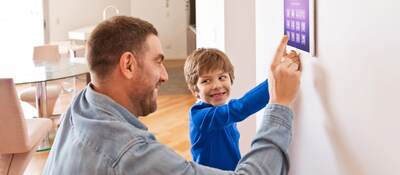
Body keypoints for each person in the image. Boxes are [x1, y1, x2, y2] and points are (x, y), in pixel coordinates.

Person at [43, 15, 301, 175]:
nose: (166, 76)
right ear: (128, 65)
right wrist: (279, 102)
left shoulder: (81, 106)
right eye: (158, 61)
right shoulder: (131, 155)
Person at [183, 48, 269, 170]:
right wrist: (274, 81)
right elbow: (240, 109)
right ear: (195, 90)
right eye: (206, 81)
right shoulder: (200, 116)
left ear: (230, 79)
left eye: (222, 77)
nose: (217, 86)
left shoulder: (222, 112)